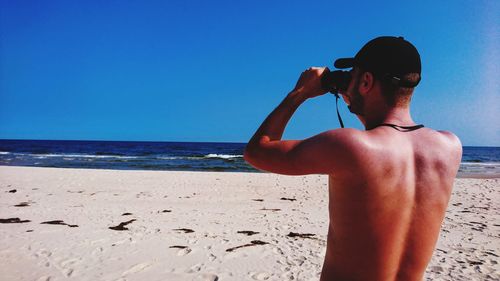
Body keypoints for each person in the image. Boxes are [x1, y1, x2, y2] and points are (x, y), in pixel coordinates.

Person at [244, 36, 462, 281]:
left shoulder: (348, 146)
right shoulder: (449, 146)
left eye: (353, 74)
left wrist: (299, 93)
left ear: (366, 81)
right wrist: (357, 97)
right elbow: (388, 136)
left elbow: (257, 152)